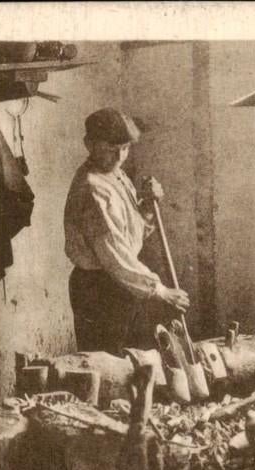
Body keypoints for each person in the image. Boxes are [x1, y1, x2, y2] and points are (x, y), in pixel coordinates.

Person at [63, 107, 190, 355]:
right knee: (110, 366)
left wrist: (148, 205)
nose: (120, 156)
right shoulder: (92, 188)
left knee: (133, 363)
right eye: (111, 149)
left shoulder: (115, 175)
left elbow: (130, 235)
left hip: (122, 283)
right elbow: (115, 254)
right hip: (99, 289)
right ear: (89, 144)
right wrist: (160, 290)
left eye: (125, 148)